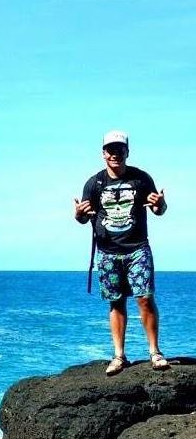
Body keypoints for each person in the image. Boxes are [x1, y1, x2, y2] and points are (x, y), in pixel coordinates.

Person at [74, 131, 168, 375]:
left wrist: (160, 204)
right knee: (116, 303)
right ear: (103, 153)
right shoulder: (94, 183)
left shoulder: (141, 178)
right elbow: (84, 218)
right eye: (110, 150)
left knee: (145, 298)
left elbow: (158, 209)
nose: (115, 154)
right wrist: (78, 215)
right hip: (107, 252)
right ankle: (118, 355)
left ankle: (155, 352)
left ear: (127, 151)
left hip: (137, 248)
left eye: (120, 149)